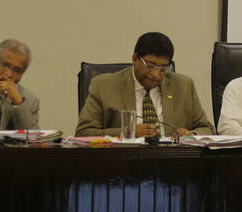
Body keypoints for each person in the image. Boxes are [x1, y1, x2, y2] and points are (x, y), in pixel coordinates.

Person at [75, 32, 213, 138]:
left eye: (163, 69)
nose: (155, 74)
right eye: (150, 65)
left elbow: (207, 129)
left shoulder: (184, 85)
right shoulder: (104, 86)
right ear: (135, 59)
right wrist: (127, 132)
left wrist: (191, 135)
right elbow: (83, 133)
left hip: (172, 162)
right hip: (122, 163)